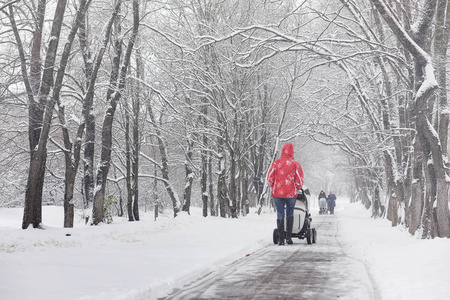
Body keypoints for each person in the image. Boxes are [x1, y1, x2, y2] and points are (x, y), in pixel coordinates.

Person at [267, 142, 304, 245]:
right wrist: (298, 187)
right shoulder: (295, 165)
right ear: (292, 152)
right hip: (291, 194)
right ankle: (288, 237)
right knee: (290, 213)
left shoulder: (275, 163)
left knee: (280, 213)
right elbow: (299, 181)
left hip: (277, 193)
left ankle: (281, 240)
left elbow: (270, 178)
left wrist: (274, 186)